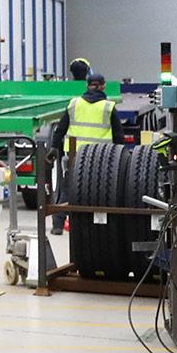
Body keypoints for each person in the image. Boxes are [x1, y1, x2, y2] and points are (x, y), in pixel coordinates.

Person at [49, 71, 121, 233]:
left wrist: (53, 147)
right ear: (103, 86)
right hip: (101, 156)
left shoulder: (74, 104)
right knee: (100, 191)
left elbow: (60, 129)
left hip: (75, 156)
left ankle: (58, 225)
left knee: (67, 189)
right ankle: (99, 226)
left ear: (87, 86)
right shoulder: (108, 107)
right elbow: (118, 136)